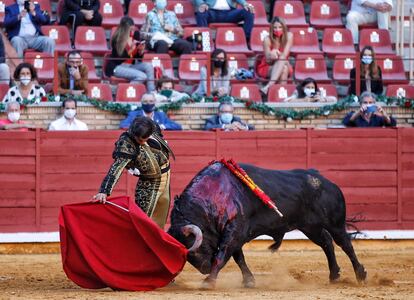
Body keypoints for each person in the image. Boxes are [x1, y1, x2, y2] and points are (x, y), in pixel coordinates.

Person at [93, 116, 174, 228]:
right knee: (143, 221)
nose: (141, 142)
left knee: (161, 218)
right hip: (149, 184)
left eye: (144, 139)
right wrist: (104, 191)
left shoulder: (153, 126)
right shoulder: (126, 142)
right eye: (139, 139)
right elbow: (117, 168)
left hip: (166, 175)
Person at [105, 17, 155, 92]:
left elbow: (138, 59)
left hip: (130, 66)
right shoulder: (117, 39)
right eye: (130, 30)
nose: (132, 32)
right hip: (117, 67)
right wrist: (131, 49)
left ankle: (152, 92)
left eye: (133, 29)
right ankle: (123, 91)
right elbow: (119, 58)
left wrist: (140, 52)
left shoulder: (135, 36)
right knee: (142, 76)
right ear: (124, 29)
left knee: (149, 66)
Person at [257, 17, 293, 95]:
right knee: (284, 69)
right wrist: (271, 55)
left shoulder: (289, 36)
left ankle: (269, 86)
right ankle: (282, 97)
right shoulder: (267, 39)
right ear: (271, 29)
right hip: (268, 67)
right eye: (275, 27)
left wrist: (277, 54)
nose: (277, 30)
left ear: (284, 27)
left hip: (285, 62)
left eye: (280, 27)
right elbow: (267, 61)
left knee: (282, 59)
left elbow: (284, 55)